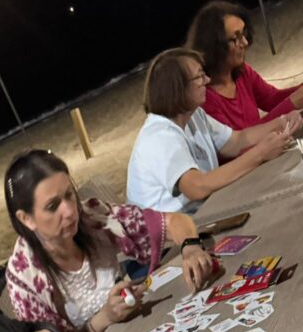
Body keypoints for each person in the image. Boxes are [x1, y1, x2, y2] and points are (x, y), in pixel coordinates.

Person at [4, 149, 214, 332]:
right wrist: (105, 318)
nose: (69, 210)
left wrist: (191, 248)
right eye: (52, 206)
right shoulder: (25, 277)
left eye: (69, 195)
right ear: (26, 218)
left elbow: (173, 221)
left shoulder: (93, 216)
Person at [127, 49, 301, 214]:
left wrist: (281, 121)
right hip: (175, 231)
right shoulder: (159, 136)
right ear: (178, 88)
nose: (207, 80)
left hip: (203, 212)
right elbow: (197, 187)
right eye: (200, 76)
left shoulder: (194, 114)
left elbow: (236, 141)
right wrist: (261, 153)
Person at [187, 1, 303, 130]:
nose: (245, 42)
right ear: (214, 46)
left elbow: (271, 99)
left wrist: (299, 92)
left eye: (243, 34)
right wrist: (293, 102)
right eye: (235, 38)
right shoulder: (204, 98)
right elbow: (242, 139)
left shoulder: (242, 72)